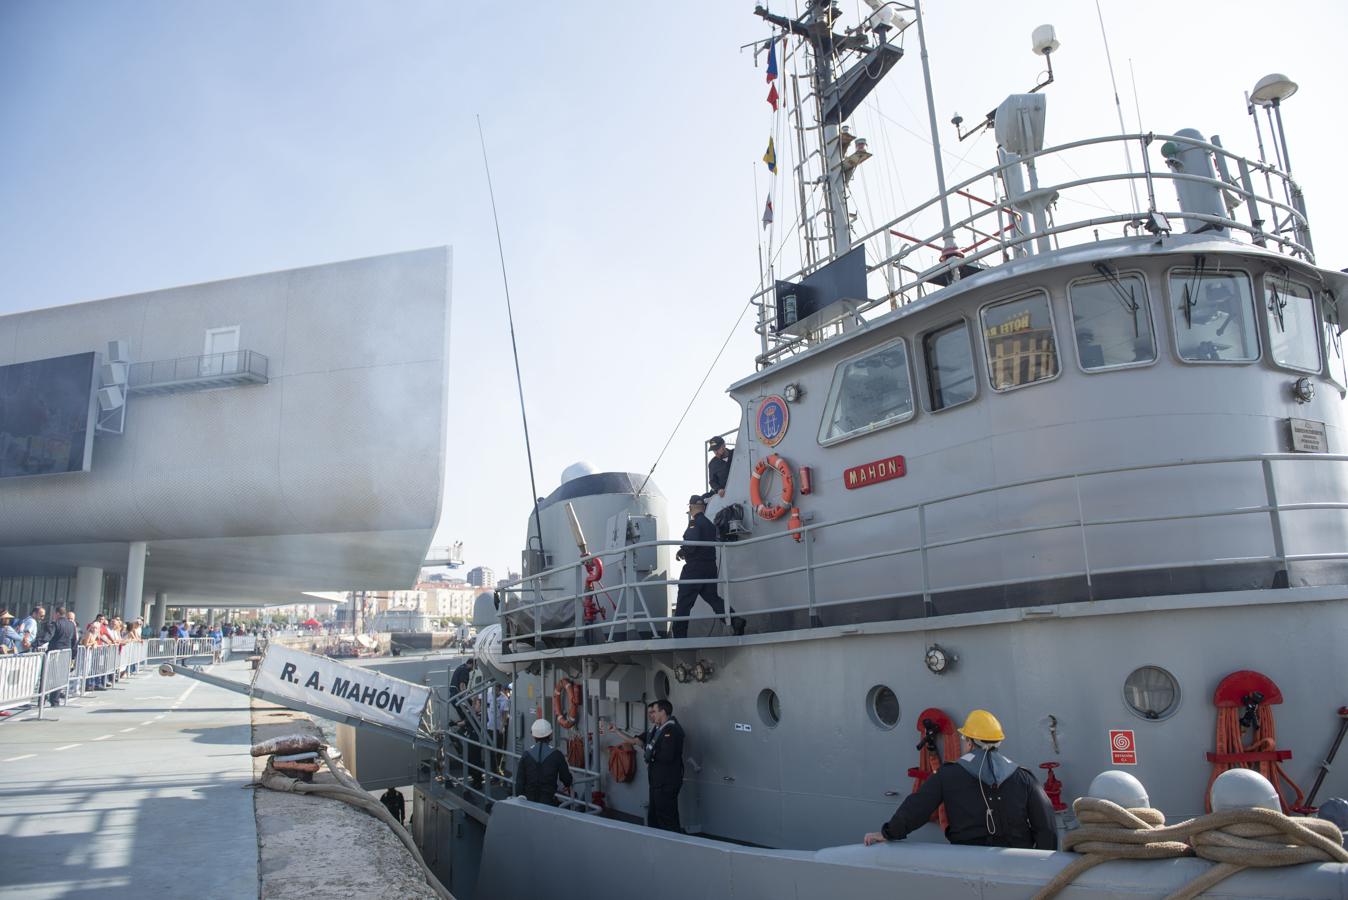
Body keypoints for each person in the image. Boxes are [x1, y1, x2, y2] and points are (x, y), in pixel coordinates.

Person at [863, 709, 1058, 850]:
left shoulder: (947, 775)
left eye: (965, 739)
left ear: (970, 743)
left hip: (968, 860)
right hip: (1017, 861)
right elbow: (1046, 827)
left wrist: (888, 833)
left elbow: (917, 808)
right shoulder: (1024, 777)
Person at [673, 496, 745, 638]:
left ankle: (679, 637)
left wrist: (682, 551)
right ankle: (735, 620)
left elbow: (692, 543)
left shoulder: (694, 523)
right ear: (704, 508)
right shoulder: (710, 525)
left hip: (695, 569)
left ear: (691, 508)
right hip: (710, 568)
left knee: (683, 602)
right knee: (713, 599)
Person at [614, 699, 686, 832]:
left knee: (667, 818)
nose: (650, 715)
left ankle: (672, 846)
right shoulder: (655, 730)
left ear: (663, 712)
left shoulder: (672, 730)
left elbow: (667, 756)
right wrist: (616, 731)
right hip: (656, 782)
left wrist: (649, 751)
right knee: (654, 817)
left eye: (653, 712)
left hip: (667, 783)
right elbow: (636, 741)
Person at [513, 718, 573, 806]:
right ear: (550, 735)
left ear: (533, 736)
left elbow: (519, 783)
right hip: (548, 802)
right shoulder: (557, 755)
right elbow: (566, 780)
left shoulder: (526, 755)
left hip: (529, 802)